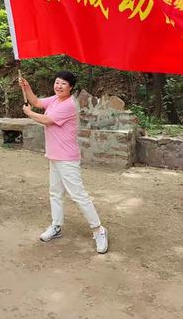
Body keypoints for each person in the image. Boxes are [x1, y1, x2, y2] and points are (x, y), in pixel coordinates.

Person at [19, 70, 108, 254]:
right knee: (55, 192)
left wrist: (28, 113)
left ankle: (99, 230)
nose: (58, 86)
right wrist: (26, 88)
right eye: (57, 82)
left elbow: (47, 120)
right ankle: (56, 226)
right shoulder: (55, 100)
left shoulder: (68, 105)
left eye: (63, 84)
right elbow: (36, 102)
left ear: (71, 87)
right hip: (54, 156)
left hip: (67, 158)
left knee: (78, 195)